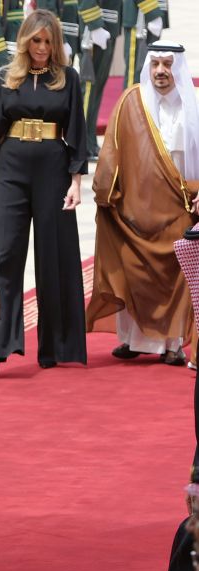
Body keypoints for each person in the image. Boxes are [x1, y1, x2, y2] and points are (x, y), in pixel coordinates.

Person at [0, 9, 88, 369]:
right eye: (36, 40)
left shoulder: (68, 78)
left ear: (55, 43)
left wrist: (76, 180)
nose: (41, 47)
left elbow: (77, 131)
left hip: (53, 168)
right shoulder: (6, 78)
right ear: (25, 41)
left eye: (48, 41)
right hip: (11, 167)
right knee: (4, 254)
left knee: (53, 255)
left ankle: (56, 346)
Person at [89, 41, 199, 365]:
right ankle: (135, 341)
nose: (161, 71)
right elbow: (112, 151)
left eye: (167, 65)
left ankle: (172, 345)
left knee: (176, 275)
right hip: (134, 211)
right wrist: (105, 192)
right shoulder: (130, 103)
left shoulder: (192, 108)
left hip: (179, 208)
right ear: (148, 67)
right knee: (133, 271)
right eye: (156, 65)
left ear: (177, 67)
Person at [77, 1, 120, 159]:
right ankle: (81, 144)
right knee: (88, 89)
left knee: (96, 89)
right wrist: (94, 24)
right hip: (95, 29)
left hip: (108, 25)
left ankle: (90, 141)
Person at [122, 0, 168, 88]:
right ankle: (132, 101)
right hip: (142, 13)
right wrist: (152, 13)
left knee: (149, 69)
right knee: (136, 72)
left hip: (153, 11)